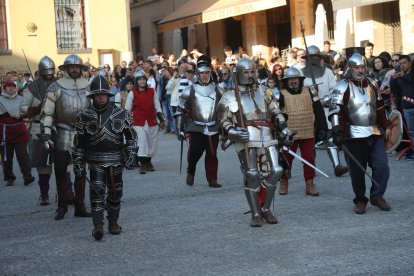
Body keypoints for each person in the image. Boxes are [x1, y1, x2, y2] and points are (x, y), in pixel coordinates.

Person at [217, 58, 293, 227]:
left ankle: (266, 208)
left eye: (253, 71)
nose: (250, 75)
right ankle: (256, 213)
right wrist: (233, 131)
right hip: (246, 137)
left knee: (276, 170)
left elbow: (276, 111)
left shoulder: (265, 91)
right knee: (252, 175)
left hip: (267, 133)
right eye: (246, 72)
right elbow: (223, 120)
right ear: (239, 74)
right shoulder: (230, 95)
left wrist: (284, 128)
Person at [73, 75, 137, 240]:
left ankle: (113, 222)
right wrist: (78, 163)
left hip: (116, 158)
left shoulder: (122, 113)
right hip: (95, 160)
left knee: (116, 193)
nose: (100, 96)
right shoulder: (84, 116)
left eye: (103, 94)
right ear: (93, 96)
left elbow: (130, 136)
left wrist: (131, 154)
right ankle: (98, 225)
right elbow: (79, 143)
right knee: (97, 191)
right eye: (97, 94)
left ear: (108, 95)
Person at [329, 53, 392, 214]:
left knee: (382, 166)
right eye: (356, 67)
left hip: (374, 131)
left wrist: (387, 125)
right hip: (354, 135)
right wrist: (337, 131)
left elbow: (379, 106)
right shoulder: (342, 86)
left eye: (362, 66)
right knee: (357, 171)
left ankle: (377, 196)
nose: (360, 70)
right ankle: (360, 200)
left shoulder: (372, 83)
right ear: (350, 68)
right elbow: (336, 110)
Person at [39, 54, 91, 220]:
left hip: (83, 133)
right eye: (72, 67)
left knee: (81, 171)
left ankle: (80, 205)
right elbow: (46, 112)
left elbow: (97, 111)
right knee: (61, 170)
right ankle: (62, 206)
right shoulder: (56, 86)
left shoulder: (88, 86)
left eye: (78, 67)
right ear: (66, 69)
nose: (75, 69)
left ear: (81, 69)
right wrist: (46, 134)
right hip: (62, 131)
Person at [20, 56, 74, 205]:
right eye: (47, 71)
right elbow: (23, 108)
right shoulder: (33, 87)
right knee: (43, 165)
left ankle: (66, 192)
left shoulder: (61, 84)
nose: (50, 74)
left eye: (51, 71)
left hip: (60, 127)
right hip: (40, 128)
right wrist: (37, 108)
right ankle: (44, 194)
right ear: (41, 71)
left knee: (65, 163)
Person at [175, 55, 224, 188]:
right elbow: (180, 111)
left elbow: (225, 109)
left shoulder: (218, 90)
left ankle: (212, 179)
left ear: (210, 73)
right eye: (201, 73)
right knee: (195, 152)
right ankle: (191, 171)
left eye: (206, 72)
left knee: (212, 154)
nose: (204, 75)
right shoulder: (189, 90)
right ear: (198, 73)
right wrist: (180, 130)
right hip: (195, 126)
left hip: (213, 126)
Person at [278, 67, 328, 196]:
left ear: (300, 80)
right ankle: (283, 182)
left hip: (307, 131)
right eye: (290, 79)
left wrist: (323, 127)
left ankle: (310, 184)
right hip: (289, 134)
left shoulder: (310, 91)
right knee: (286, 160)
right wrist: (280, 131)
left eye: (295, 78)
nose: (293, 81)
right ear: (286, 81)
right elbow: (276, 114)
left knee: (309, 159)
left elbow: (319, 110)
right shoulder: (281, 94)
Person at [302, 45, 348, 177]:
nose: (314, 59)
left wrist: (323, 100)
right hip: (308, 111)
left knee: (331, 138)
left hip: (325, 110)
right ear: (307, 58)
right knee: (309, 141)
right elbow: (298, 92)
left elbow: (335, 89)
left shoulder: (327, 72)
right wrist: (310, 95)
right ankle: (311, 168)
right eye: (311, 57)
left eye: (316, 56)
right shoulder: (300, 73)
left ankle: (337, 166)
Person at [125, 70, 166, 174]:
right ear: (137, 81)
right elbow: (127, 110)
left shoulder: (152, 91)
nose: (142, 81)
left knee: (151, 143)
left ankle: (148, 162)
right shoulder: (132, 93)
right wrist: (127, 122)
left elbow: (157, 106)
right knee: (142, 142)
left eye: (144, 79)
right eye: (140, 80)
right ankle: (142, 164)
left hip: (151, 120)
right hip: (138, 122)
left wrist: (161, 119)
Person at [0, 79, 35, 186]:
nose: (11, 88)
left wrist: (21, 116)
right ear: (4, 88)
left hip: (19, 130)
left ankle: (27, 176)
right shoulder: (0, 100)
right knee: (7, 157)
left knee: (23, 155)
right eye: (8, 86)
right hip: (5, 133)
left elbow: (28, 112)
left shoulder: (21, 99)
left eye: (13, 86)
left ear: (16, 88)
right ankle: (9, 177)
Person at [390, 54, 414, 160]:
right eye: (400, 64)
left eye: (404, 63)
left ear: (409, 63)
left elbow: (411, 81)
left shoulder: (410, 73)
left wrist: (402, 75)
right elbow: (394, 91)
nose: (402, 65)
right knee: (411, 131)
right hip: (406, 106)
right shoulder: (398, 75)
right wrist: (393, 79)